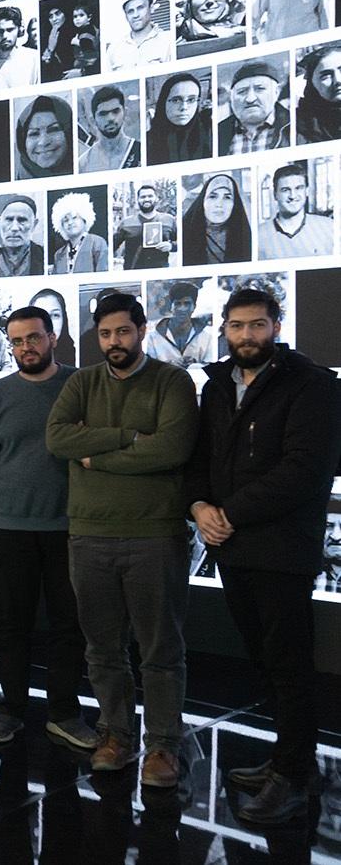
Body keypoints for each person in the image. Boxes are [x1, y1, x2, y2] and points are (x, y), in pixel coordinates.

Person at [187, 288, 341, 823]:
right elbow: (202, 457)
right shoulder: (217, 386)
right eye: (237, 326)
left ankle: (292, 776)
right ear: (224, 329)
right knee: (263, 661)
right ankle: (289, 761)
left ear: (277, 325)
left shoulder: (313, 384)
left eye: (257, 324)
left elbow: (306, 470)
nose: (246, 335)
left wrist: (228, 513)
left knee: (289, 665)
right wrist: (198, 505)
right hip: (232, 549)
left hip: (281, 548)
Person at [45, 292, 199, 789]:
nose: (114, 341)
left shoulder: (172, 381)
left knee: (160, 650)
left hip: (155, 534)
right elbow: (58, 439)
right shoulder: (81, 382)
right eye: (106, 333)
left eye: (123, 332)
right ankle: (116, 735)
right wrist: (129, 437)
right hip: (89, 535)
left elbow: (171, 449)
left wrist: (96, 451)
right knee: (102, 649)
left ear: (142, 330)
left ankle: (163, 745)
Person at [0, 307, 97, 748]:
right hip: (9, 527)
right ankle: (11, 709)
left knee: (68, 625)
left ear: (52, 337)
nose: (26, 347)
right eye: (17, 341)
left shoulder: (80, 384)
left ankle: (64, 712)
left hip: (69, 526)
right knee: (11, 625)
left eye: (34, 338)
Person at [258, 162, 334, 258]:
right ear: (275, 194)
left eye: (298, 188)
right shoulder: (258, 235)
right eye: (285, 190)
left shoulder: (330, 227)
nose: (292, 196)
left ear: (307, 191)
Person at [219, 61, 290, 156]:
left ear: (276, 92)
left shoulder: (298, 126)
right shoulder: (215, 134)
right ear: (231, 98)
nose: (250, 99)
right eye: (242, 91)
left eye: (259, 89)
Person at [183, 171, 252, 265]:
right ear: (203, 201)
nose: (219, 204)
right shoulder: (186, 233)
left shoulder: (244, 237)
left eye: (227, 197)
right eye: (212, 196)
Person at [145, 281, 215, 368]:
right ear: (171, 306)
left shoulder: (207, 338)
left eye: (187, 304)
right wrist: (169, 366)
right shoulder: (153, 338)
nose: (182, 309)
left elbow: (211, 369)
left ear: (194, 306)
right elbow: (150, 370)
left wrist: (195, 365)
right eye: (178, 304)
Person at [147, 71, 212, 164]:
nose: (184, 107)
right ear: (163, 102)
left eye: (191, 100)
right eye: (176, 100)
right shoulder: (147, 142)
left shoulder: (210, 136)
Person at [105, 0, 171, 71]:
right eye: (130, 11)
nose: (135, 15)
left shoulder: (168, 41)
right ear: (126, 15)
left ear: (151, 8)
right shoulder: (114, 48)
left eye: (140, 8)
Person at [80, 86, 141, 172]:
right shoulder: (82, 164)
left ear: (125, 113)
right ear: (93, 120)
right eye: (103, 114)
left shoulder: (142, 150)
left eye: (115, 111)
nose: (110, 118)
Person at [115, 183, 177, 269]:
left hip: (161, 271)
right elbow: (112, 246)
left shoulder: (169, 220)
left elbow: (182, 243)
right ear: (138, 200)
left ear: (156, 198)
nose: (146, 199)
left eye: (150, 196)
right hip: (133, 271)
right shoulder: (126, 223)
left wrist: (171, 246)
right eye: (143, 197)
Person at [50, 191, 110, 273]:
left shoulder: (97, 243)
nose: (70, 222)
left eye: (74, 217)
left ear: (84, 219)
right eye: (66, 220)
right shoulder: (59, 254)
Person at [14, 96, 73, 178]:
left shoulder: (85, 167)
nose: (43, 142)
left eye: (53, 130)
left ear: (68, 133)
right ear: (22, 142)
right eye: (34, 134)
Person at [0, 8, 37, 91]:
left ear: (19, 30)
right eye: (1, 31)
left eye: (10, 30)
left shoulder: (34, 59)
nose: (5, 36)